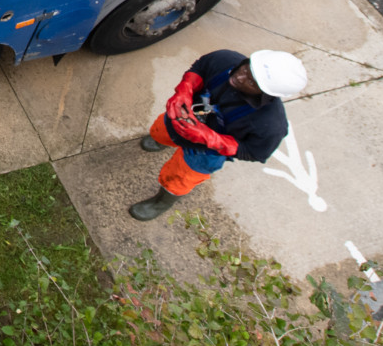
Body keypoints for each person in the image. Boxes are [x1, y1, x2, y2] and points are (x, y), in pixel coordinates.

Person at [130, 48, 308, 221]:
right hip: (181, 119)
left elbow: (255, 152)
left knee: (179, 179)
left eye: (252, 82)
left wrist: (211, 139)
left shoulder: (270, 125)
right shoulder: (225, 59)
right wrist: (184, 90)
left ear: (266, 93)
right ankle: (162, 141)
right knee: (159, 132)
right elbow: (200, 67)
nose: (240, 77)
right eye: (247, 69)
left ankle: (160, 202)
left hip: (206, 153)